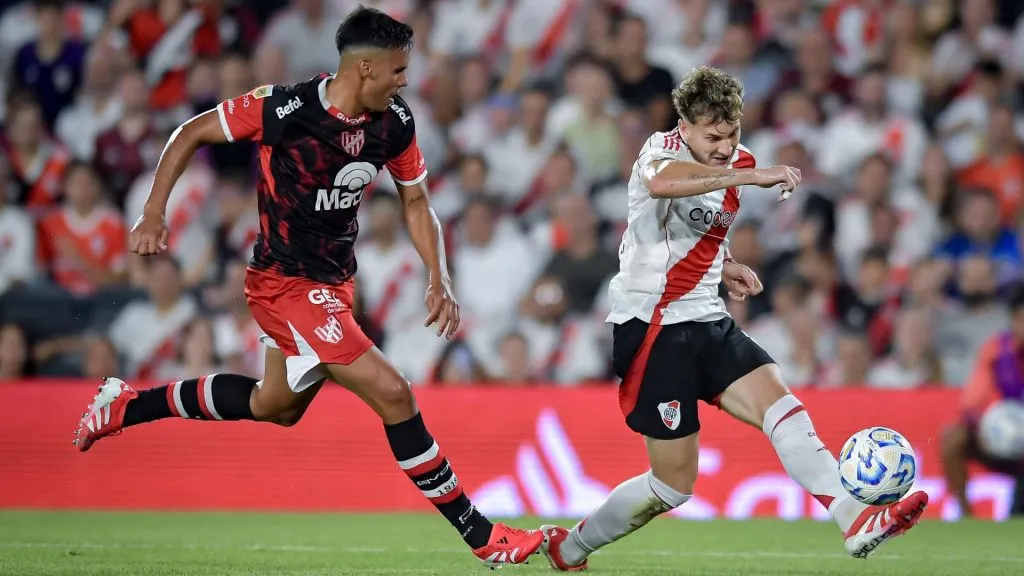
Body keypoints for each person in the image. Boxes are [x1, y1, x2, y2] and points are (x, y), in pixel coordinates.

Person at [71, 7, 542, 568]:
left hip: (334, 284)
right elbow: (190, 131)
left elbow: (416, 200)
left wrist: (438, 276)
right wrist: (153, 211)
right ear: (364, 68)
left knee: (274, 405)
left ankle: (128, 404)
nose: (405, 80)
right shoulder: (284, 109)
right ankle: (482, 536)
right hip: (283, 282)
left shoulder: (395, 121)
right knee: (394, 394)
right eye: (396, 70)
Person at [537, 66, 929, 571]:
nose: (725, 147)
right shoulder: (661, 153)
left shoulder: (732, 165)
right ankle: (569, 548)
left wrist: (725, 266)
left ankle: (854, 519)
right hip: (653, 329)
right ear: (685, 125)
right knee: (672, 486)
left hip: (706, 317)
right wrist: (748, 173)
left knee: (781, 405)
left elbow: (698, 229)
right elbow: (661, 186)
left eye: (733, 134)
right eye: (713, 136)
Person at [941, 285, 1024, 518]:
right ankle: (966, 515)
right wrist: (985, 428)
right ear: (1013, 321)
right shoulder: (996, 350)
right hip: (999, 442)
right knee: (954, 437)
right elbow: (974, 400)